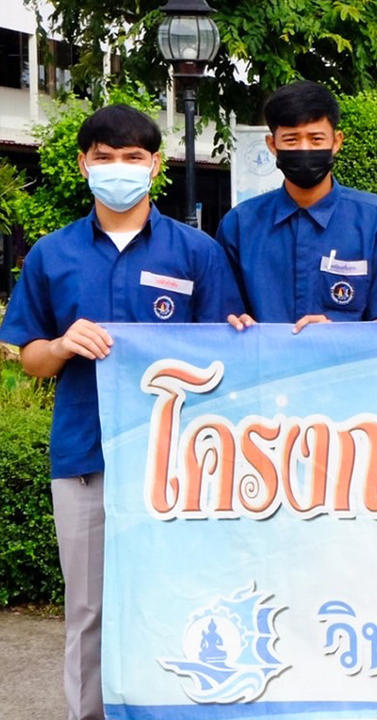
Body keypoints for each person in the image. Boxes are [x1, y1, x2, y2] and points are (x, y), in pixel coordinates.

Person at [0, 104, 241, 720]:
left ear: (155, 166)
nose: (119, 169)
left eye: (133, 157)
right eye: (104, 158)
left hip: (178, 462)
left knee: (177, 597)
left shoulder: (198, 253)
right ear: (84, 165)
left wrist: (239, 334)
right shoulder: (53, 255)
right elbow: (29, 357)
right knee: (89, 611)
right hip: (86, 456)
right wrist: (58, 346)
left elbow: (227, 353)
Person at [217, 82, 377, 330]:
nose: (305, 148)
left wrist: (335, 332)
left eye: (316, 139)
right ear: (272, 145)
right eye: (292, 140)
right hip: (265, 366)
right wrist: (235, 321)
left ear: (336, 142)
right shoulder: (240, 225)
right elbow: (223, 316)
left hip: (349, 367)